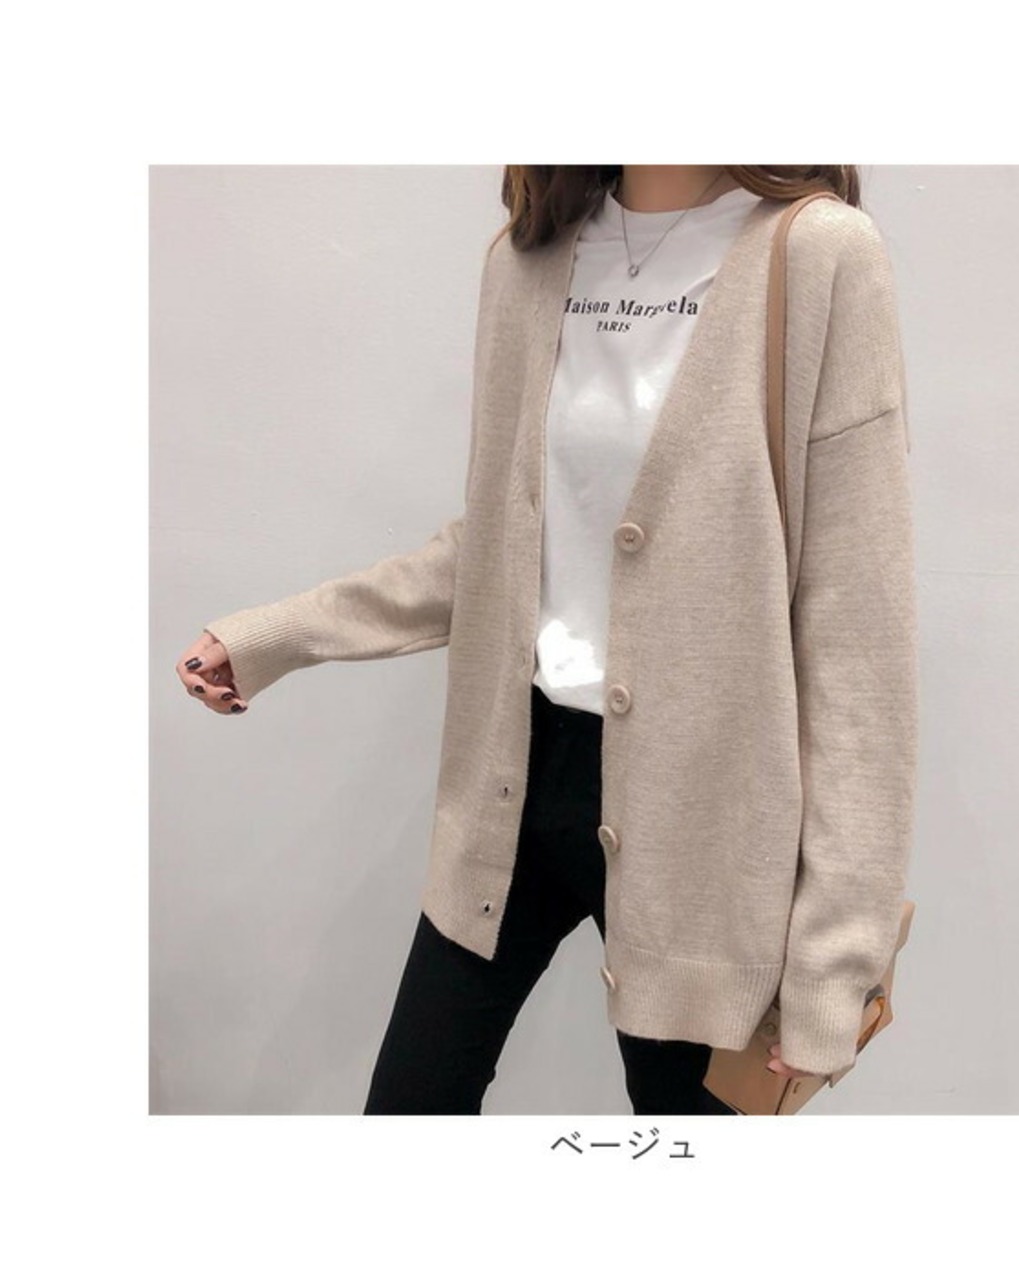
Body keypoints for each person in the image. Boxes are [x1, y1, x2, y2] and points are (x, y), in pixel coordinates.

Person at [176, 165, 919, 1115]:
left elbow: (859, 639)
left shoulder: (817, 255)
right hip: (512, 782)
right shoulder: (526, 262)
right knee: (409, 1106)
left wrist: (836, 963)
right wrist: (274, 637)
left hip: (706, 832)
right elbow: (500, 546)